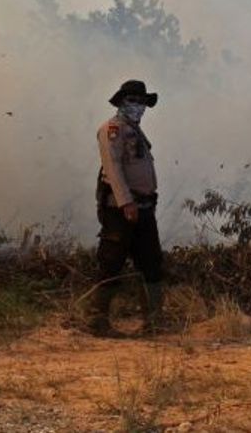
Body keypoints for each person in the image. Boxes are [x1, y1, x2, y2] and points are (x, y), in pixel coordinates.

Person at [88, 79, 164, 337]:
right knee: (111, 262)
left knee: (152, 263)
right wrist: (126, 202)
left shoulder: (135, 131)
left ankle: (153, 322)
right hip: (120, 209)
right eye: (133, 101)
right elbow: (113, 168)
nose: (138, 106)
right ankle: (98, 321)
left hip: (144, 208)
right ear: (121, 101)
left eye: (142, 102)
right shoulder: (112, 130)